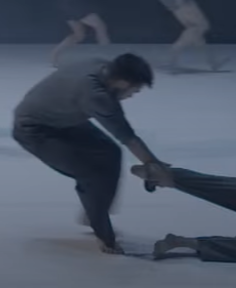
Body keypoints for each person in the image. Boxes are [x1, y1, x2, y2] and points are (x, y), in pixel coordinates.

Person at [12, 53, 168, 254]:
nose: (132, 96)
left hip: (61, 120)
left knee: (111, 153)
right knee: (92, 174)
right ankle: (104, 235)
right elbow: (128, 137)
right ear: (122, 82)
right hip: (33, 130)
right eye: (134, 90)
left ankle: (93, 212)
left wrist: (151, 163)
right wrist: (153, 164)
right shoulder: (96, 95)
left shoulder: (98, 64)